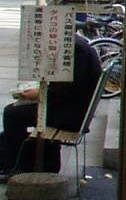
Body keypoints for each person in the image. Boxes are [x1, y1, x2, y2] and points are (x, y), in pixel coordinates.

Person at [0, 33, 101, 178]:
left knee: (12, 113)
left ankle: (14, 164)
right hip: (72, 107)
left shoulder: (76, 50)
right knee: (15, 111)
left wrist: (37, 94)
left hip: (70, 114)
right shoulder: (76, 44)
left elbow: (65, 90)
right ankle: (12, 161)